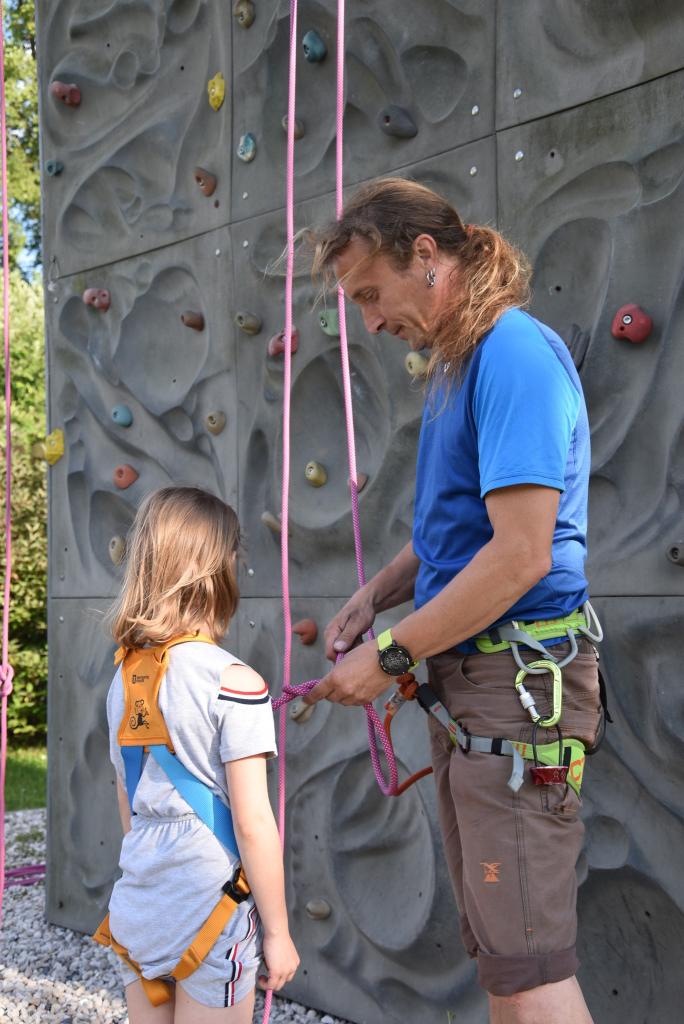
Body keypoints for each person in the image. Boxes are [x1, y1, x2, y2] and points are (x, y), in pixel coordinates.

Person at [302, 178, 602, 1024]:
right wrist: (376, 595)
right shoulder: (462, 364)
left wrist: (392, 653)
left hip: (517, 690)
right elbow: (461, 532)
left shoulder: (513, 355)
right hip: (484, 693)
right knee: (504, 959)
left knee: (530, 964)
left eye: (370, 294)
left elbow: (521, 554)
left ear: (427, 256)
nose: (369, 322)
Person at [100, 487, 299, 1024]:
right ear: (218, 572)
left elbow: (128, 798)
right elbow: (253, 823)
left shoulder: (123, 679)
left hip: (140, 901)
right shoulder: (235, 681)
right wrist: (278, 933)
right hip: (209, 904)